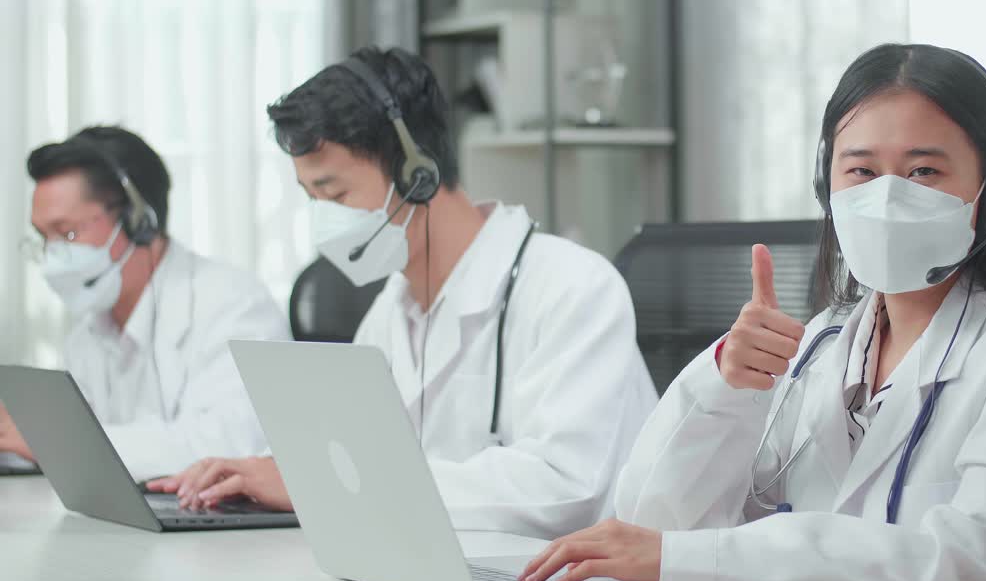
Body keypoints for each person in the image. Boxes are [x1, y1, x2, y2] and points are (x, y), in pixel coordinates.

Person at [518, 44, 986, 581]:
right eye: (861, 170)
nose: (888, 194)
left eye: (925, 170)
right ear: (828, 187)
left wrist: (694, 557)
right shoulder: (823, 342)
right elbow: (656, 526)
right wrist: (724, 390)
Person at [149, 47, 657, 539]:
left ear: (419, 173)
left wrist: (315, 486)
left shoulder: (570, 287)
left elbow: (563, 489)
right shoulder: (392, 312)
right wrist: (270, 474)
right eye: (312, 199)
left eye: (337, 193)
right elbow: (359, 465)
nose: (327, 220)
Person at [0, 126, 289, 480]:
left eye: (67, 232)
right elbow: (73, 448)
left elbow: (230, 447)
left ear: (138, 219)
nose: (53, 255)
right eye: (44, 238)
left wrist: (54, 441)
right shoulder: (89, 331)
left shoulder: (233, 304)